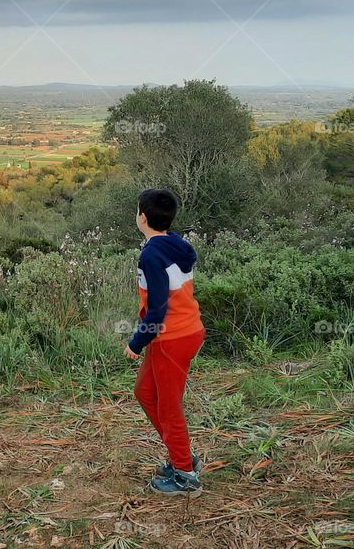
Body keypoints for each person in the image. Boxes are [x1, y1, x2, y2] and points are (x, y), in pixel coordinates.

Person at [123, 188, 206, 496]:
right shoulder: (178, 244)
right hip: (182, 332)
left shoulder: (151, 255)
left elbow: (158, 308)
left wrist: (136, 342)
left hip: (172, 337)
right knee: (145, 392)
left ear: (142, 218)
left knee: (169, 406)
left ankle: (185, 474)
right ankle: (180, 454)